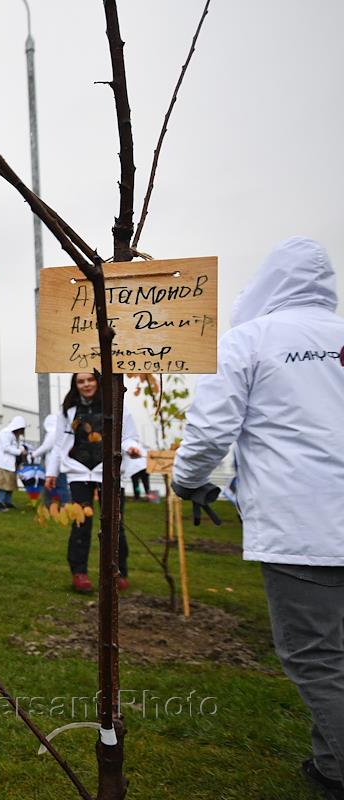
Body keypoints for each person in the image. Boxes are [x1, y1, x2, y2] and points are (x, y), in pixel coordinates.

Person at [172, 237, 344, 800]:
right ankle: (328, 762)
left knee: (316, 657)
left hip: (303, 527)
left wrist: (188, 481)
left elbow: (209, 432)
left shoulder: (250, 340)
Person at [44, 371, 142, 593]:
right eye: (81, 381)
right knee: (81, 523)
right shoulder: (68, 410)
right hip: (78, 473)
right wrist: (51, 473)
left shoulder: (116, 406)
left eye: (90, 379)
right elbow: (59, 444)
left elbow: (128, 437)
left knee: (115, 524)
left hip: (109, 473)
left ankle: (118, 571)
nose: (86, 384)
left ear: (98, 382)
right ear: (75, 384)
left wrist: (132, 449)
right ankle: (79, 572)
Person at [0, 416, 27, 511]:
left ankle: (7, 502)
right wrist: (19, 451)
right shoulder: (5, 433)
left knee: (10, 484)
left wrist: (21, 449)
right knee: (1, 484)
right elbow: (6, 448)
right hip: (1, 464)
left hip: (9, 464)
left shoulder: (14, 436)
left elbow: (16, 446)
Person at [33, 413, 72, 504]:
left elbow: (46, 446)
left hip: (54, 465)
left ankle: (63, 504)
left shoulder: (53, 433)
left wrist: (34, 454)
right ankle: (58, 504)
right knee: (60, 485)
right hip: (60, 463)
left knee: (59, 485)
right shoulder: (60, 432)